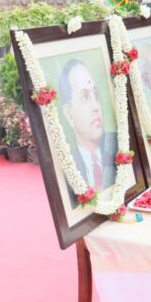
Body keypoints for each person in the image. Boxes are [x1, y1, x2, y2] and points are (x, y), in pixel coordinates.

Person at [58, 59, 117, 200]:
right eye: (85, 97)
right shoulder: (64, 165)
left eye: (95, 96)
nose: (95, 106)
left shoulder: (120, 144)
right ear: (69, 114)